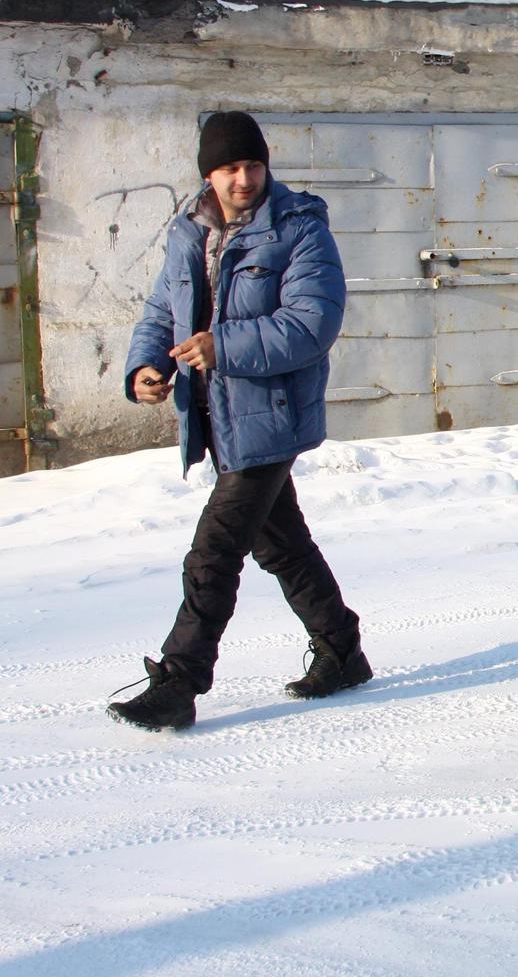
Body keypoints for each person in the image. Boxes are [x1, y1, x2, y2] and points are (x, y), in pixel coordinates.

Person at [108, 111, 370, 730]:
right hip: (216, 417)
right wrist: (146, 365)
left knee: (214, 553)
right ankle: (341, 650)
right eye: (229, 168)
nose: (243, 179)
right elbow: (161, 308)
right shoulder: (187, 232)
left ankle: (180, 682)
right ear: (209, 173)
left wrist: (221, 347)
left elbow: (312, 325)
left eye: (253, 165)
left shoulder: (298, 229)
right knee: (282, 545)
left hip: (271, 416)